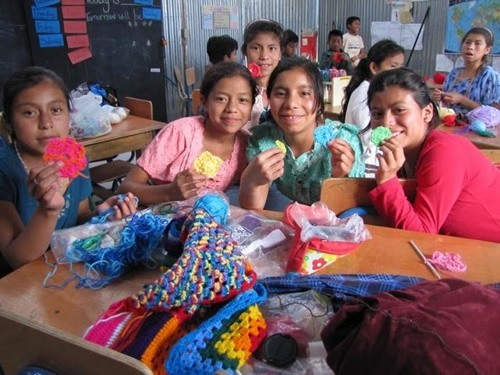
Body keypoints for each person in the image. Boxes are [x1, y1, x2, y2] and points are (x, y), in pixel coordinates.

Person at [0, 66, 137, 274]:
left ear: (68, 115)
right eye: (29, 112)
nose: (46, 123)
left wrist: (101, 214)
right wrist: (48, 209)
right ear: (9, 122)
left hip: (63, 267)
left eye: (55, 110)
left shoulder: (75, 158)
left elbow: (79, 214)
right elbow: (16, 259)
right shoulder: (4, 171)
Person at [367, 68, 500, 242]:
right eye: (377, 114)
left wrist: (387, 180)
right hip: (458, 248)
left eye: (399, 110)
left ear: (427, 113)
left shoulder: (444, 151)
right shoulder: (404, 155)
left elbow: (421, 236)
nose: (386, 123)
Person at [118, 61, 257, 206]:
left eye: (243, 100)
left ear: (251, 108)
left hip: (202, 223)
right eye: (221, 99)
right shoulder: (180, 133)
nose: (232, 108)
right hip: (156, 216)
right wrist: (169, 192)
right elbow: (125, 189)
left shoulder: (247, 146)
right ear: (204, 102)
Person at [239, 57, 364, 211]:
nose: (291, 104)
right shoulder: (264, 140)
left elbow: (353, 214)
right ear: (268, 99)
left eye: (304, 93)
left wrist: (341, 179)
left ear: (318, 101)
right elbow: (254, 210)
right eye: (280, 93)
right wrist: (251, 180)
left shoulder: (344, 142)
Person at [342, 39, 405, 177]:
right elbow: (368, 137)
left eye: (401, 67)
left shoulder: (378, 92)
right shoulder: (364, 94)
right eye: (393, 67)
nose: (398, 73)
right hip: (362, 170)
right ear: (374, 68)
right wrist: (399, 137)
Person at [433, 27, 499, 116]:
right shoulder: (454, 73)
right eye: (467, 42)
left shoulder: (489, 75)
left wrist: (462, 100)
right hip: (449, 123)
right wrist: (441, 97)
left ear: (487, 50)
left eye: (477, 43)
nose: (470, 47)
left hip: (476, 128)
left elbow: (495, 112)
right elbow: (445, 106)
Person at [241, 19, 283, 128]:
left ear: (280, 53)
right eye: (256, 48)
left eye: (272, 48)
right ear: (244, 51)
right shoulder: (236, 88)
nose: (264, 56)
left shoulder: (288, 90)